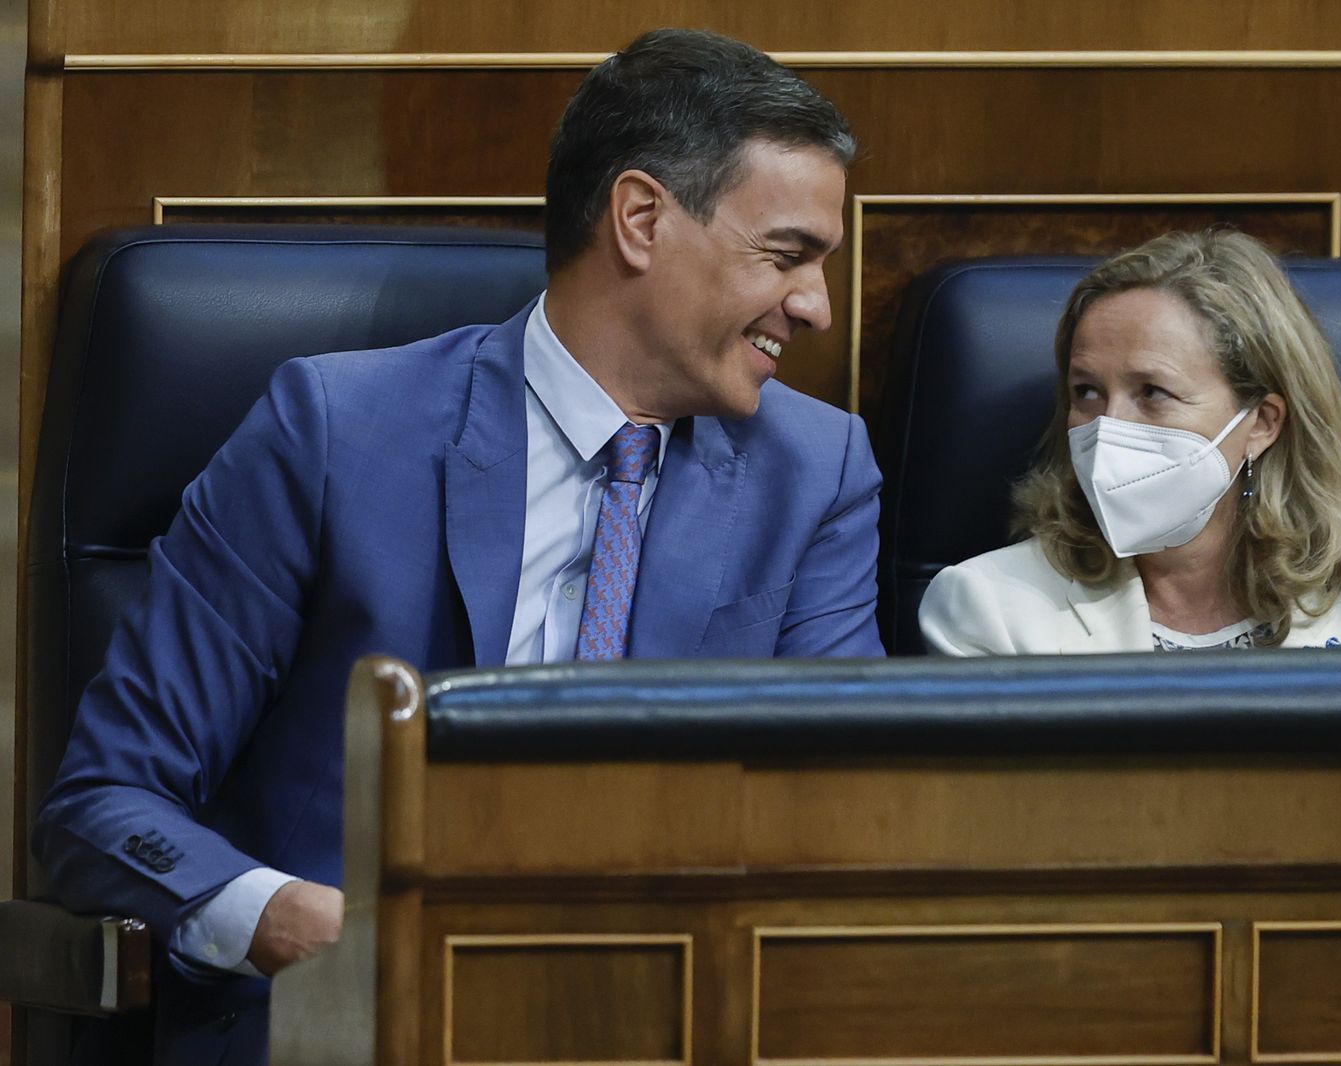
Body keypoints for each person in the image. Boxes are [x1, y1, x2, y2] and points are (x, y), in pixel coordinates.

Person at [35, 28, 881, 1065]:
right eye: (787, 255)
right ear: (641, 217)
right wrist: (296, 924)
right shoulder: (335, 432)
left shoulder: (818, 471)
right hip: (348, 1026)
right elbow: (102, 803)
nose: (816, 307)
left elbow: (837, 822)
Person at [919, 229, 1341, 655]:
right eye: (1086, 391)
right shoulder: (987, 607)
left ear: (1262, 424)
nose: (1107, 425)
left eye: (1153, 392)